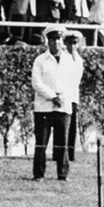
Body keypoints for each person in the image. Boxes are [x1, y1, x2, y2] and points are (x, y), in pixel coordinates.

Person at [31, 25, 71, 181]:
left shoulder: (69, 59)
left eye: (58, 39)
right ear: (47, 41)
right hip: (44, 107)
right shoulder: (40, 60)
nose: (56, 43)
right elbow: (36, 82)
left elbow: (73, 82)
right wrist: (52, 96)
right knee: (41, 143)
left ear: (62, 41)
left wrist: (62, 97)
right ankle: (39, 174)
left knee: (63, 143)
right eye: (52, 39)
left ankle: (63, 174)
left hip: (63, 106)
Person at [63, 30, 84, 167]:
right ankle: (59, 154)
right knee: (62, 128)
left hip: (73, 96)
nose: (72, 46)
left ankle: (70, 154)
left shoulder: (79, 60)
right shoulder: (62, 58)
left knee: (72, 127)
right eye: (70, 43)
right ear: (65, 43)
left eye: (75, 43)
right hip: (63, 96)